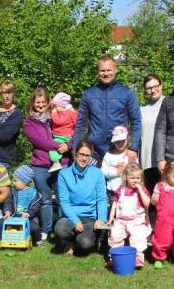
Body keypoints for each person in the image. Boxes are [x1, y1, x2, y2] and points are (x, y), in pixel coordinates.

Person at [74, 55, 142, 163]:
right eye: (102, 70)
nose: (106, 73)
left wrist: (133, 147)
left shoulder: (126, 93)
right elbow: (81, 125)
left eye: (109, 70)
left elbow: (136, 122)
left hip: (119, 152)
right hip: (94, 153)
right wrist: (75, 150)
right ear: (97, 71)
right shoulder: (89, 94)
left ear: (115, 70)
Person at [23, 87, 70, 243]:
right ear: (33, 103)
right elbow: (38, 141)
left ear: (48, 102)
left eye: (44, 102)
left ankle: (63, 232)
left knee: (63, 199)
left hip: (61, 163)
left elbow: (70, 132)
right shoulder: (28, 122)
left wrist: (68, 145)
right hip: (41, 165)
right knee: (45, 199)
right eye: (38, 102)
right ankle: (46, 230)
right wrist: (58, 146)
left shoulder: (56, 117)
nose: (41, 105)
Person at [54, 141, 108, 255]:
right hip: (70, 217)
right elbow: (64, 202)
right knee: (60, 229)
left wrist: (101, 219)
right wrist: (75, 220)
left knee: (85, 243)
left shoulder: (97, 173)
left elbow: (102, 199)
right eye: (81, 154)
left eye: (87, 156)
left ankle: (86, 238)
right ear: (75, 154)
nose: (84, 158)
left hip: (90, 217)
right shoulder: (64, 174)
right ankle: (70, 241)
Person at [107, 163, 151, 269]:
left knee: (138, 238)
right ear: (126, 177)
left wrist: (140, 191)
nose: (135, 180)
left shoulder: (142, 190)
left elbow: (147, 204)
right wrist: (111, 216)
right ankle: (114, 257)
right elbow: (115, 203)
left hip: (137, 220)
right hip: (121, 220)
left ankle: (138, 259)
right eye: (132, 178)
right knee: (115, 236)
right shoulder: (121, 189)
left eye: (138, 178)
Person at [0, 165, 43, 246]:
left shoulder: (34, 193)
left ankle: (37, 240)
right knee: (0, 222)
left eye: (15, 180)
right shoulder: (13, 191)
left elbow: (36, 207)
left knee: (34, 227)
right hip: (14, 215)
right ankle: (1, 240)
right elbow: (8, 202)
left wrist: (28, 213)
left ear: (24, 182)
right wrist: (7, 211)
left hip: (28, 217)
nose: (13, 182)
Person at [139, 75, 165, 170]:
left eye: (155, 86)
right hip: (147, 161)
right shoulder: (141, 110)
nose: (153, 90)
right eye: (149, 88)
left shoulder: (170, 105)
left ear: (161, 86)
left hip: (165, 161)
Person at [49, 91, 77, 171]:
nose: (54, 108)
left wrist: (54, 113)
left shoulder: (66, 113)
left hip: (62, 136)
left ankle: (56, 162)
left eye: (56, 106)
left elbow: (59, 121)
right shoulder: (72, 113)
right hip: (66, 135)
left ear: (62, 106)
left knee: (53, 148)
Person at [101, 126, 135, 193]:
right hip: (112, 190)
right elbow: (102, 171)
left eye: (122, 141)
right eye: (117, 141)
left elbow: (136, 171)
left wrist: (127, 168)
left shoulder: (131, 155)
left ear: (128, 139)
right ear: (113, 142)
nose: (120, 143)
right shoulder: (109, 155)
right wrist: (116, 172)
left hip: (128, 191)